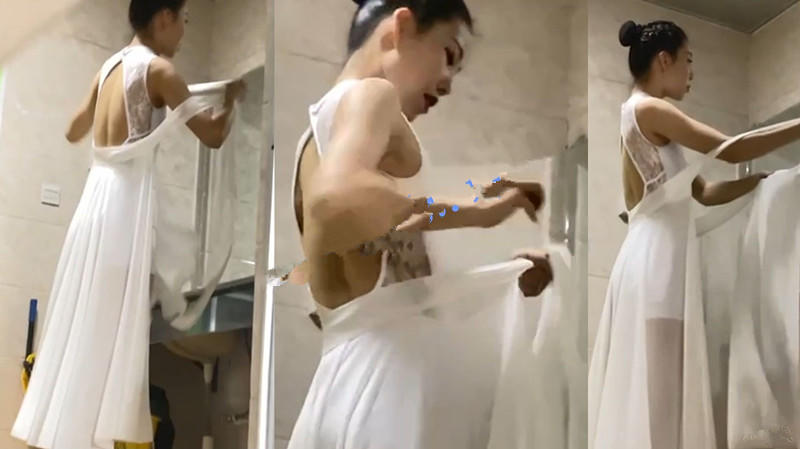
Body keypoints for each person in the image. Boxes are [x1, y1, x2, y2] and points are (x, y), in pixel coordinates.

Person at [286, 0, 554, 447]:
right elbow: (337, 197)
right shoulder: (372, 95)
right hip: (388, 394)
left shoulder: (315, 134)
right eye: (448, 54)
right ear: (402, 27)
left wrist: (484, 214)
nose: (447, 83)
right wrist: (474, 214)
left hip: (339, 382)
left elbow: (382, 255)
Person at [11, 1, 245, 448]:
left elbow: (73, 130)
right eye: (184, 20)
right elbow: (213, 135)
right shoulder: (159, 70)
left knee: (85, 331)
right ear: (164, 17)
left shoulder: (109, 68)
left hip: (93, 206)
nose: (183, 33)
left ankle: (71, 435)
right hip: (123, 211)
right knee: (108, 338)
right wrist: (232, 102)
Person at [589, 19, 800, 449]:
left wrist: (759, 183)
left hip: (653, 258)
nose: (691, 73)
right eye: (687, 60)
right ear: (663, 60)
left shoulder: (642, 117)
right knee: (662, 396)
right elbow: (731, 149)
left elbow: (702, 192)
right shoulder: (649, 109)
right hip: (657, 264)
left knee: (659, 393)